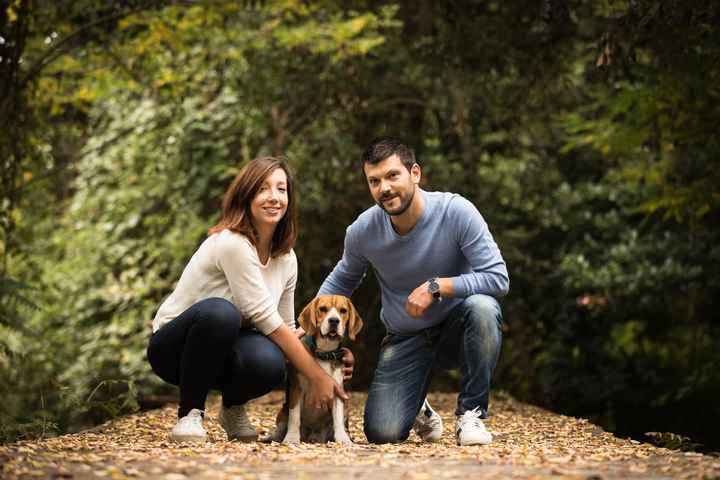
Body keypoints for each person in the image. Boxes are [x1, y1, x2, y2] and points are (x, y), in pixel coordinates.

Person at [318, 137, 509, 446]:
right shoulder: (362, 231)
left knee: (483, 308)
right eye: (374, 181)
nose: (384, 188)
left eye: (393, 175)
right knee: (382, 434)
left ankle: (471, 415)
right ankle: (418, 405)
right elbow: (341, 281)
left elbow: (498, 277)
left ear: (415, 173)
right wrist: (307, 332)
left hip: (457, 329)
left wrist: (438, 286)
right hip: (405, 337)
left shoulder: (456, 211)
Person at [147, 157, 348, 443]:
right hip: (174, 350)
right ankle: (189, 414)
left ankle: (232, 407)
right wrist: (316, 376)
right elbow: (266, 319)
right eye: (263, 189)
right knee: (222, 313)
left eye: (281, 189)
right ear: (246, 196)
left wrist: (329, 357)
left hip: (223, 352)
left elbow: (287, 329)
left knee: (270, 361)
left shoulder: (286, 258)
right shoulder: (232, 243)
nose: (274, 197)